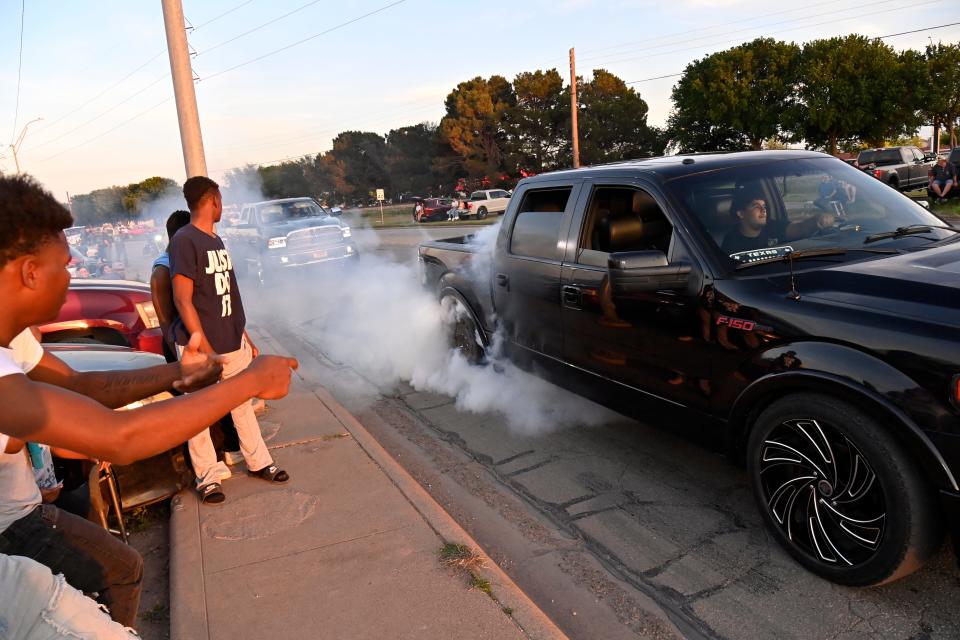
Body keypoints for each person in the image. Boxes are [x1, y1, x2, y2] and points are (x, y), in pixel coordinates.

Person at [0, 174, 298, 633]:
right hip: (8, 533)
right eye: (64, 264)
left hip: (20, 512)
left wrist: (178, 374)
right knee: (116, 575)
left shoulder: (14, 341)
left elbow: (85, 388)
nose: (72, 274)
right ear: (29, 272)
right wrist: (248, 382)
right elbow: (121, 438)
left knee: (121, 568)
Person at [170, 176, 289, 504]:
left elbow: (227, 294)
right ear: (212, 201)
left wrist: (244, 334)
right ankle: (208, 478)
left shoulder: (215, 240)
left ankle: (259, 462)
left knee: (242, 405)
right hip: (200, 348)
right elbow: (182, 299)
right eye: (221, 200)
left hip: (232, 340)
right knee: (199, 413)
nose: (223, 206)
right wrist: (202, 347)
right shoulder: (185, 240)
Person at [151, 210, 242, 479]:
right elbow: (166, 320)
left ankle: (228, 449)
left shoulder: (193, 258)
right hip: (185, 347)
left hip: (210, 340)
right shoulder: (163, 270)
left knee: (220, 402)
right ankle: (206, 467)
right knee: (197, 410)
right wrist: (180, 354)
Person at [720, 190, 835, 256]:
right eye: (756, 206)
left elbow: (799, 229)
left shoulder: (773, 226)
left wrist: (817, 220)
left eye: (764, 206)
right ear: (741, 213)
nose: (763, 210)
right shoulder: (731, 242)